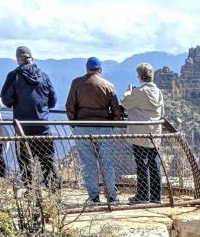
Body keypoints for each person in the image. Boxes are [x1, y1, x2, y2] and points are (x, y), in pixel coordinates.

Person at [66, 56, 121, 204]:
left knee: (88, 163)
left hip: (82, 129)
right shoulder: (108, 86)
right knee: (108, 163)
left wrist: (74, 124)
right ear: (100, 70)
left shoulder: (77, 83)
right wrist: (112, 125)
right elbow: (116, 109)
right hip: (104, 129)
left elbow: (70, 106)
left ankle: (94, 198)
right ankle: (112, 197)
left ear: (87, 69)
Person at [1, 46, 57, 186]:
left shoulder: (14, 76)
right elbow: (53, 100)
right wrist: (42, 109)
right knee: (48, 162)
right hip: (43, 128)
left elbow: (6, 100)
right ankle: (55, 194)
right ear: (32, 58)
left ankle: (30, 194)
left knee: (26, 164)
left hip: (23, 129)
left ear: (18, 59)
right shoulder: (44, 76)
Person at [121, 62, 164, 203]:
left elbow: (125, 103)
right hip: (155, 132)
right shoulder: (158, 92)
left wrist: (128, 92)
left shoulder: (139, 92)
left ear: (139, 76)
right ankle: (157, 197)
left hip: (139, 132)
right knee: (154, 163)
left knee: (141, 163)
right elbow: (162, 112)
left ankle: (143, 196)